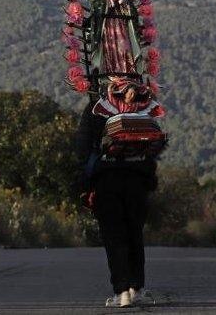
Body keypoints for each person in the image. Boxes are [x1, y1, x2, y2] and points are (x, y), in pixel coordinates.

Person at [77, 84, 159, 308]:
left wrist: (85, 184)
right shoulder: (143, 104)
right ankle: (137, 288)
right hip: (137, 179)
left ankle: (121, 291)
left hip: (106, 180)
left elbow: (83, 148)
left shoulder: (95, 108)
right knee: (134, 234)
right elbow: (156, 143)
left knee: (114, 237)